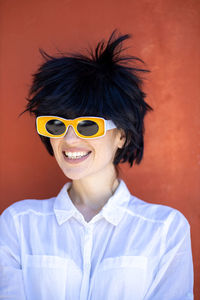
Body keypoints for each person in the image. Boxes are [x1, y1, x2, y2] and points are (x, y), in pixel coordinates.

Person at [0, 30, 193, 300]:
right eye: (56, 124)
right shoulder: (18, 224)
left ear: (122, 135)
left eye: (88, 125)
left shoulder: (165, 229)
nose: (69, 139)